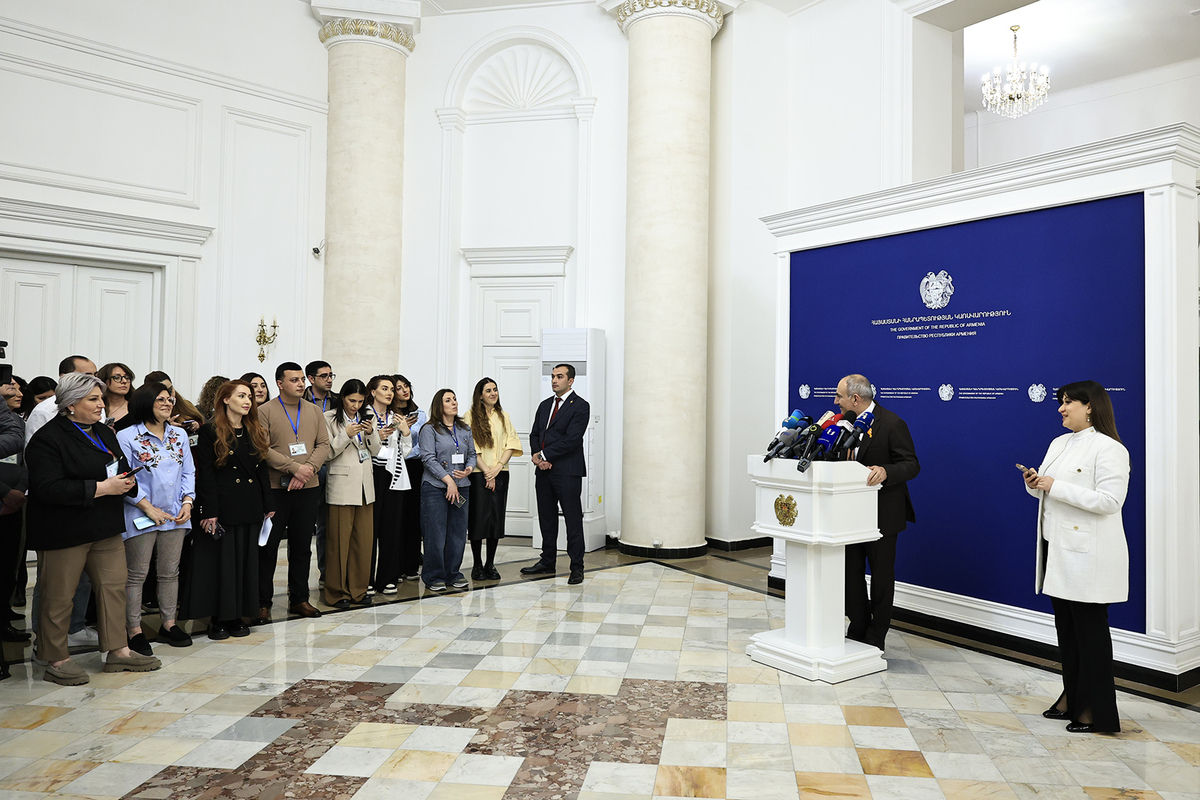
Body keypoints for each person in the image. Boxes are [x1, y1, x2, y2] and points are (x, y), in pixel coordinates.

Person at [25, 373, 161, 684]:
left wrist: (126, 481)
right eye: (93, 399)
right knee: (59, 596)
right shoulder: (48, 438)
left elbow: (118, 465)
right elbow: (48, 488)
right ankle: (56, 658)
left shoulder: (102, 431)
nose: (102, 404)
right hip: (64, 530)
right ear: (71, 404)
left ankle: (118, 650)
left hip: (104, 526)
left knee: (114, 588)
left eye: (100, 398)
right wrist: (101, 488)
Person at [1023, 380, 1129, 734]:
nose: (1061, 408)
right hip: (1058, 551)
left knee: (1091, 637)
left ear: (1090, 406)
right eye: (1061, 401)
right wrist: (1035, 483)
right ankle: (1072, 697)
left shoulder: (1110, 449)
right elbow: (1048, 490)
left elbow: (1110, 502)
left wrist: (1055, 486)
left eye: (1068, 402)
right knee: (1067, 633)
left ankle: (1095, 712)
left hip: (1088, 558)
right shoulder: (1059, 443)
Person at [835, 373, 920, 652]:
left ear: (855, 398)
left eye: (839, 396)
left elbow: (911, 464)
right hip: (850, 514)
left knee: (882, 577)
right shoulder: (844, 424)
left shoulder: (892, 423)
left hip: (883, 515)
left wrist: (886, 471)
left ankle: (876, 634)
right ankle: (857, 625)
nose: (836, 401)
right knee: (850, 572)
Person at [188, 380, 275, 639]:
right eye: (241, 396)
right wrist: (209, 510)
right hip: (223, 505)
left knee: (246, 563)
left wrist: (268, 504)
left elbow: (261, 469)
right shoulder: (210, 430)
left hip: (249, 504)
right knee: (222, 564)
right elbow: (206, 474)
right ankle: (219, 617)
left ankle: (239, 615)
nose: (248, 401)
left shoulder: (254, 430)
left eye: (249, 396)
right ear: (226, 399)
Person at [116, 383, 196, 654]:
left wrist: (188, 502)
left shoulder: (179, 434)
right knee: (136, 574)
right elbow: (124, 477)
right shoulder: (127, 436)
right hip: (141, 512)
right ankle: (133, 629)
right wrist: (148, 508)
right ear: (145, 403)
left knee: (170, 572)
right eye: (160, 399)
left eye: (169, 399)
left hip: (175, 513)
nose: (167, 403)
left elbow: (188, 472)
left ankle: (169, 624)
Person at [257, 362, 330, 621]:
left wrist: (307, 470)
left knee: (301, 546)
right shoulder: (264, 411)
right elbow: (262, 448)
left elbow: (323, 444)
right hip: (276, 489)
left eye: (302, 380)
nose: (301, 384)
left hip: (308, 487)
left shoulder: (313, 410)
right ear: (280, 383)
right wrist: (294, 468)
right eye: (294, 380)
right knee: (268, 548)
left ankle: (299, 599)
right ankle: (262, 602)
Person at [522, 363, 590, 585]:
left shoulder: (580, 406)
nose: (554, 380)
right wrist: (537, 456)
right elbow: (535, 434)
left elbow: (572, 439)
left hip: (567, 472)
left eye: (559, 376)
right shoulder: (544, 405)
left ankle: (577, 567)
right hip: (543, 472)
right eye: (552, 376)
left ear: (570, 381)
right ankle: (547, 561)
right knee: (547, 518)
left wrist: (544, 455)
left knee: (572, 520)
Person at [323, 379, 382, 608]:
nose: (355, 406)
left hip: (365, 486)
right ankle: (337, 592)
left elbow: (375, 450)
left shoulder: (368, 417)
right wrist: (346, 434)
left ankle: (358, 590)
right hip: (342, 486)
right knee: (339, 543)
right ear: (342, 398)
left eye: (360, 401)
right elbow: (327, 453)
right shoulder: (329, 418)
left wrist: (371, 433)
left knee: (363, 542)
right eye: (351, 400)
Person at [464, 377, 522, 581]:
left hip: (500, 472)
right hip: (478, 473)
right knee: (478, 519)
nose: (493, 393)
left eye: (495, 389)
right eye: (488, 390)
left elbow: (511, 443)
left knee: (495, 519)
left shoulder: (503, 416)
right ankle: (477, 565)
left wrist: (496, 469)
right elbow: (471, 447)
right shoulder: (469, 416)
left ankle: (490, 564)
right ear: (480, 395)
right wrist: (487, 471)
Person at [418, 389, 475, 593]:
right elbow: (428, 458)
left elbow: (472, 454)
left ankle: (453, 573)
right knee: (436, 533)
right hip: (436, 488)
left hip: (462, 487)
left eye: (455, 399)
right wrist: (448, 480)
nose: (454, 403)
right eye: (448, 400)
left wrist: (469, 468)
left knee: (457, 533)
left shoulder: (464, 428)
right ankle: (434, 576)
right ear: (439, 405)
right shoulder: (429, 429)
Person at [367, 375, 412, 594]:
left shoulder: (396, 417)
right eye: (384, 388)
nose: (390, 393)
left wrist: (405, 432)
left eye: (392, 389)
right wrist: (377, 435)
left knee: (391, 528)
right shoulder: (365, 415)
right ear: (373, 392)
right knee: (369, 529)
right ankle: (366, 578)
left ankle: (387, 578)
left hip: (393, 474)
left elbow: (405, 451)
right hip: (370, 474)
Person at [304, 361, 337, 586]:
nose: (329, 379)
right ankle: (298, 581)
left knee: (327, 524)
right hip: (306, 467)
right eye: (324, 376)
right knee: (304, 526)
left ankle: (326, 573)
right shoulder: (300, 401)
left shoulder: (338, 401)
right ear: (311, 378)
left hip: (332, 466)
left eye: (331, 375)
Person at [0, 394, 29, 645]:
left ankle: (3, 615)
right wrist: (4, 493)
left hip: (15, 501)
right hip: (4, 497)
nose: (15, 391)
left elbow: (25, 459)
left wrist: (19, 490)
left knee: (9, 564)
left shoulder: (16, 422)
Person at [392, 375, 424, 582]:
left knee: (413, 517)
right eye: (399, 388)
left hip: (414, 466)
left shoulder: (419, 414)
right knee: (396, 517)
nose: (405, 390)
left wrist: (408, 451)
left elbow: (424, 442)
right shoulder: (388, 415)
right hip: (394, 466)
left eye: (406, 386)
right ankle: (394, 566)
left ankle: (411, 565)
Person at [26, 356, 98, 442]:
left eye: (96, 375)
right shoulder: (43, 411)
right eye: (87, 376)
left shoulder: (99, 404)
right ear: (64, 377)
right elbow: (36, 445)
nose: (94, 380)